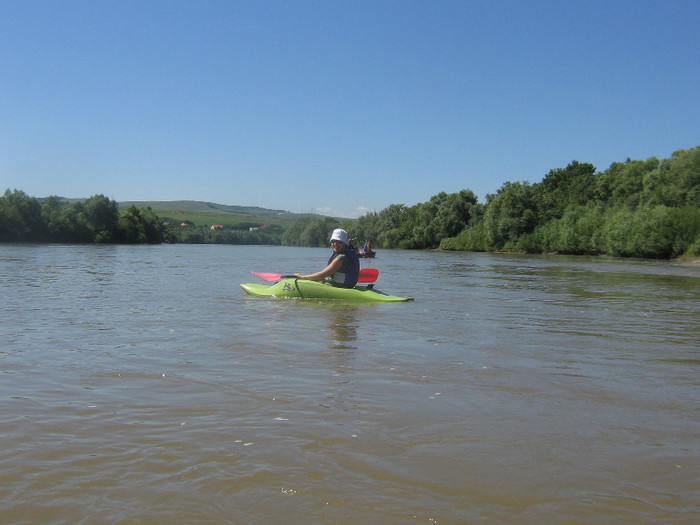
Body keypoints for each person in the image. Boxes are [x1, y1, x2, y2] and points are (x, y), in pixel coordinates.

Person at [294, 229, 360, 287]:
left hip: (339, 286)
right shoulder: (347, 254)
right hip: (345, 285)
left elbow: (322, 275)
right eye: (333, 241)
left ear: (345, 244)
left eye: (339, 242)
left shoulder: (341, 258)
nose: (335, 244)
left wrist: (302, 277)